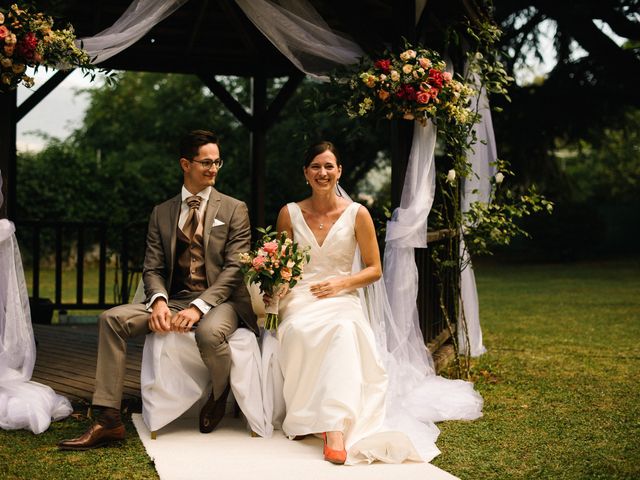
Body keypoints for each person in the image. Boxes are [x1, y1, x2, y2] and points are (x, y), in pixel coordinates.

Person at [272, 141, 483, 466]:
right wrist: (276, 283)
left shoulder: (358, 214)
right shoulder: (289, 213)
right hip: (302, 296)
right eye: (316, 166)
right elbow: (283, 265)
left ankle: (334, 427)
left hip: (342, 296)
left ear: (339, 171)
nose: (323, 172)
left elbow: (374, 269)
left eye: (329, 166)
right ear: (306, 173)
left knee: (343, 330)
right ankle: (304, 416)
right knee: (299, 330)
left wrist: (340, 283)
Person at [58, 129, 257, 450]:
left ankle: (220, 394)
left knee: (208, 334)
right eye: (206, 162)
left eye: (218, 162)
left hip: (221, 302)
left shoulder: (234, 209)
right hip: (174, 300)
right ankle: (108, 419)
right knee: (111, 319)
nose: (214, 169)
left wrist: (199, 307)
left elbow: (234, 269)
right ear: (185, 164)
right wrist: (160, 301)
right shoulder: (162, 212)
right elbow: (152, 267)